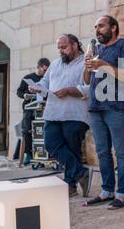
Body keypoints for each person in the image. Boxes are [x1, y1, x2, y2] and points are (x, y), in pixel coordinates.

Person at [83, 15, 124, 210]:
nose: (97, 30)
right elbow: (88, 80)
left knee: (121, 153)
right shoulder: (98, 50)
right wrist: (88, 65)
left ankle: (122, 194)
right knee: (102, 152)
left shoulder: (123, 46)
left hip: (116, 108)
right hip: (95, 107)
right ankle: (107, 191)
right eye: (95, 27)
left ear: (113, 28)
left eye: (101, 26)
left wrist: (103, 65)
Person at [31, 34, 93, 197]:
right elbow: (45, 82)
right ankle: (80, 173)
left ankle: (70, 186)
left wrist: (69, 90)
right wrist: (37, 86)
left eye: (64, 47)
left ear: (74, 45)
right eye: (59, 48)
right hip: (53, 112)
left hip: (75, 113)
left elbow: (90, 88)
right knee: (51, 144)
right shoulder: (55, 64)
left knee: (72, 149)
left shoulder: (86, 63)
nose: (61, 51)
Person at [15, 58, 50, 164]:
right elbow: (19, 92)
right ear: (38, 67)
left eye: (47, 70)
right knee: (26, 130)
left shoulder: (47, 79)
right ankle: (28, 153)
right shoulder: (28, 78)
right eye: (44, 70)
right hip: (29, 107)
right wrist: (24, 95)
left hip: (43, 108)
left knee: (44, 131)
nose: (45, 72)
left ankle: (45, 154)